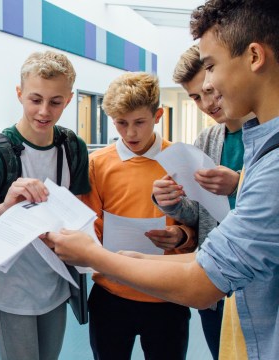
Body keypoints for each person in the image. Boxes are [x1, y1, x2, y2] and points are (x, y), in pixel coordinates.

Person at [45, 1, 279, 359]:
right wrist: (126, 257)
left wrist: (100, 256)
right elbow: (207, 255)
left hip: (175, 301)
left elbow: (203, 281)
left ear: (253, 56)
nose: (210, 88)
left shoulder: (268, 166)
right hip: (118, 295)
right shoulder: (255, 151)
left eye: (212, 67)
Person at [0, 51, 91, 360]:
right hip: (11, 287)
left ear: (69, 100)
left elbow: (83, 209)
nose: (44, 111)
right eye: (35, 99)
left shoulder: (73, 147)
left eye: (56, 102)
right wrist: (7, 205)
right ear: (19, 94)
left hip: (57, 283)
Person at [80, 72, 196, 360]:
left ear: (157, 115)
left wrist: (181, 236)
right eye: (121, 123)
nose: (130, 133)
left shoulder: (183, 159)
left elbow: (198, 223)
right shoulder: (96, 164)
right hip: (111, 294)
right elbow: (89, 226)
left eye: (139, 122)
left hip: (168, 293)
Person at [152, 44, 249, 360]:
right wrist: (170, 202)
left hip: (256, 283)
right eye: (195, 97)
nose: (207, 104)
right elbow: (198, 213)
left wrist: (237, 183)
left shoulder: (265, 135)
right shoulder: (206, 141)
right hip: (216, 284)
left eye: (210, 91)